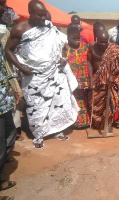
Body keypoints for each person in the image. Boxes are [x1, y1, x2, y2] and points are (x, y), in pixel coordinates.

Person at [5, 0, 79, 148]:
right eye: (39, 15)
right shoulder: (19, 29)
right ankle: (39, 135)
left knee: (57, 103)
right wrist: (21, 67)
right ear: (30, 13)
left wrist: (62, 58)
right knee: (37, 107)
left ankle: (56, 130)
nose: (43, 18)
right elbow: (8, 50)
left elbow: (62, 42)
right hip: (34, 76)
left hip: (54, 73)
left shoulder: (49, 26)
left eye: (44, 15)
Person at [88, 30, 119, 129]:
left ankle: (108, 123)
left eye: (105, 41)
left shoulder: (113, 49)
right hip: (98, 80)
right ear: (96, 40)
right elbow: (89, 62)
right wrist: (91, 79)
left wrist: (112, 76)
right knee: (94, 101)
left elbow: (117, 66)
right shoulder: (92, 47)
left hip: (111, 80)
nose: (103, 44)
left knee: (111, 102)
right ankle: (99, 123)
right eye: (101, 41)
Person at [0, 0, 16, 191]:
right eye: (2, 4)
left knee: (9, 131)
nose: (4, 8)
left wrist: (13, 87)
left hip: (4, 97)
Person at [66, 25, 92, 128]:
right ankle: (75, 123)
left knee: (84, 101)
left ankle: (85, 122)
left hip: (84, 81)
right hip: (71, 82)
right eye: (74, 39)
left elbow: (90, 62)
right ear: (68, 37)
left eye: (78, 38)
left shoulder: (85, 47)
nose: (77, 41)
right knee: (73, 102)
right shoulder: (65, 49)